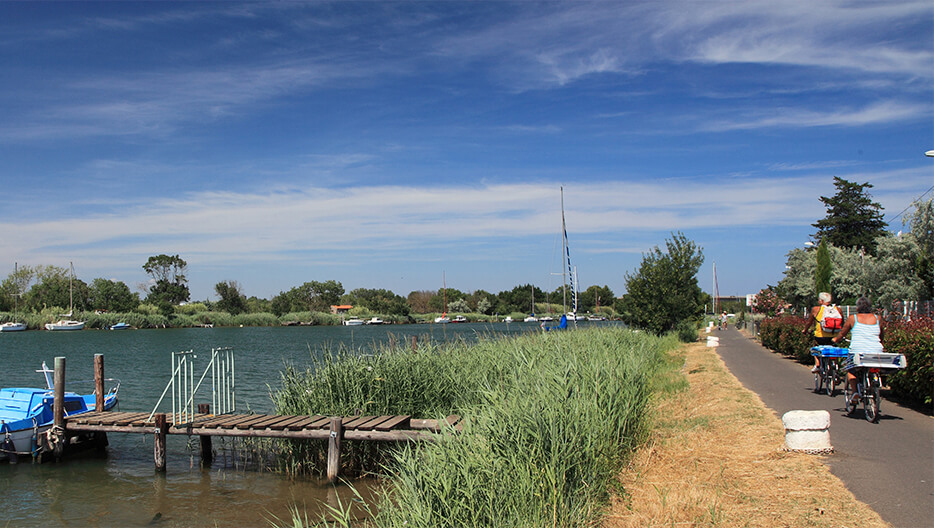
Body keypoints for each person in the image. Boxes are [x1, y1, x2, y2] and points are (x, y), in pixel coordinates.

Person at [832, 296, 884, 405]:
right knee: (871, 367)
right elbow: (881, 334)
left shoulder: (852, 318)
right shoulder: (878, 318)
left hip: (857, 350)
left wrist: (836, 339)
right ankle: (873, 382)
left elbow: (843, 333)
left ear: (858, 307)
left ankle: (855, 391)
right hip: (876, 350)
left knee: (850, 370)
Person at [803, 292, 840, 372]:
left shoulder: (816, 309)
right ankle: (835, 368)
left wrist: (805, 330)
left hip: (820, 337)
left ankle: (817, 364)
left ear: (821, 301)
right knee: (834, 349)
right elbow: (842, 322)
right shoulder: (837, 309)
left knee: (815, 347)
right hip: (834, 336)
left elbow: (809, 322)